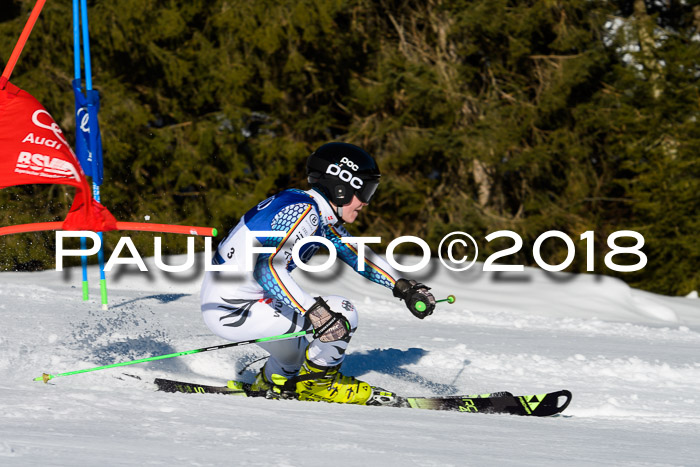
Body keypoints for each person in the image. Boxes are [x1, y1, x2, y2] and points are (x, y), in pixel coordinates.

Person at [200, 142, 436, 405]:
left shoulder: (310, 209)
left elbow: (354, 253)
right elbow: (266, 270)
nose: (366, 203)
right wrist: (317, 313)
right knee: (342, 312)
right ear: (342, 186)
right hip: (238, 309)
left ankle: (274, 380)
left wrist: (404, 287)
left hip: (235, 303)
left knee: (300, 357)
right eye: (365, 191)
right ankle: (320, 385)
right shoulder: (305, 213)